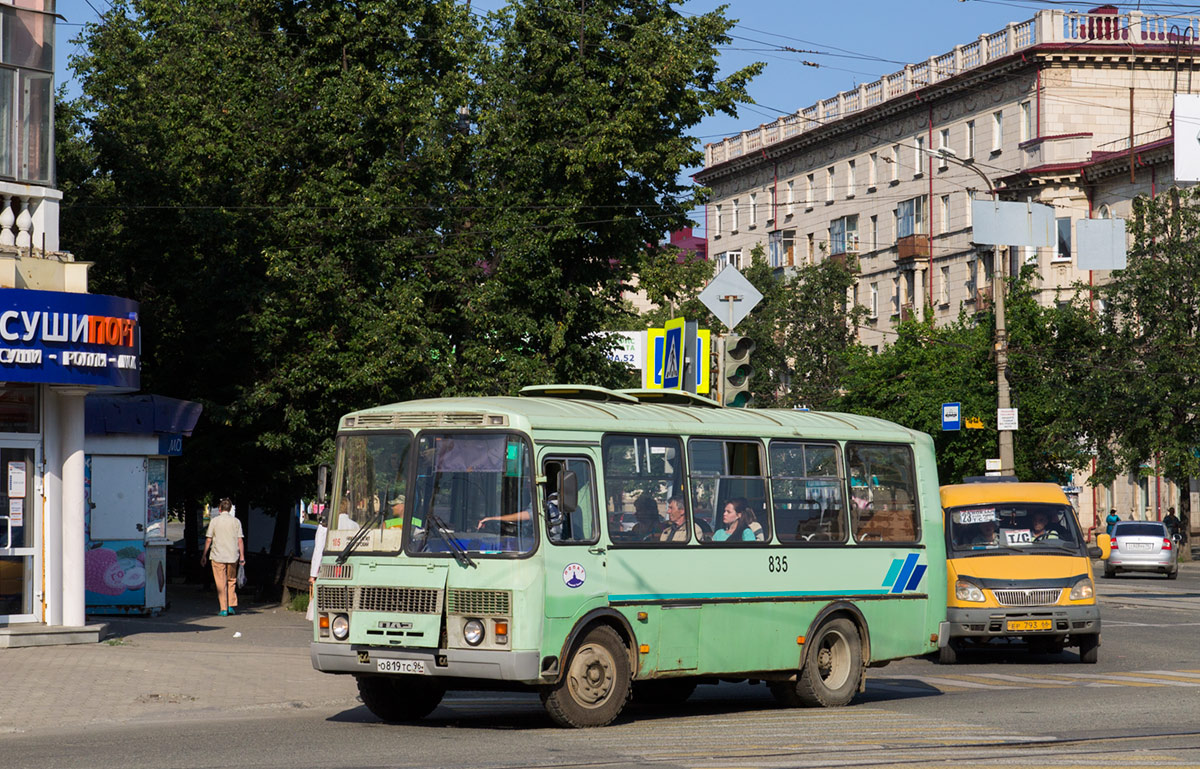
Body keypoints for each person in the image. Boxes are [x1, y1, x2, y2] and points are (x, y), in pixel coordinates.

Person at [200, 498, 245, 617]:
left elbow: (209, 539)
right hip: (232, 556)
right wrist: (242, 557)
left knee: (221, 582)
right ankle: (231, 605)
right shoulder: (236, 522)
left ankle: (223, 608)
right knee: (231, 580)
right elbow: (240, 540)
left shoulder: (215, 521)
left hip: (217, 555)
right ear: (230, 509)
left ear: (220, 508)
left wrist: (204, 555)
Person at [306, 510, 328, 622]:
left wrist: (313, 574)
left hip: (325, 565)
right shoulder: (352, 523)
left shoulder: (323, 527)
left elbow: (318, 550)